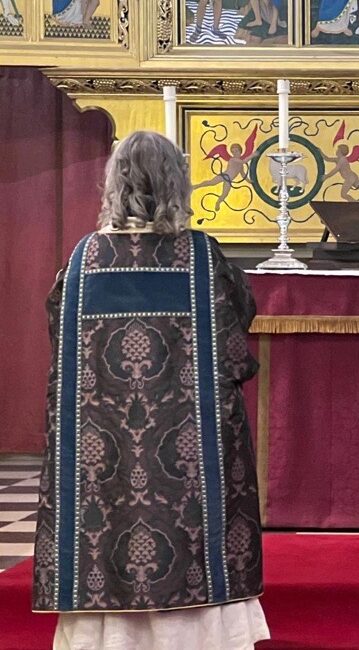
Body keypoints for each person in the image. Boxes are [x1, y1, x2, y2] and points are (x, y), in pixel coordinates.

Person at [32, 131, 269, 650]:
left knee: (107, 514)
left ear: (114, 185)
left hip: (104, 457)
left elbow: (60, 346)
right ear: (176, 185)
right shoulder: (202, 259)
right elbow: (235, 344)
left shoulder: (82, 261)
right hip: (187, 466)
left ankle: (108, 637)